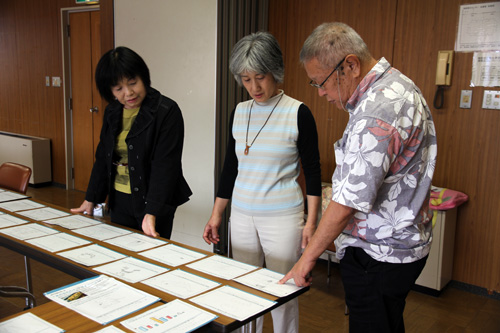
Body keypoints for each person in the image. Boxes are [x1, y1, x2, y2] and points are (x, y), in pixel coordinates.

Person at [280, 22, 437, 332]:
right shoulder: (398, 85)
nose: (322, 93)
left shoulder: (375, 114)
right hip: (403, 245)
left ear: (350, 65)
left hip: (378, 254)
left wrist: (307, 258)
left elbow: (347, 202)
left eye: (321, 82)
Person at [203, 31, 321, 333]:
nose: (254, 87)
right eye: (245, 79)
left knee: (283, 290)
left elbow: (313, 172)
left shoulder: (298, 113)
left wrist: (311, 223)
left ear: (275, 72)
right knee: (243, 290)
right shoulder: (239, 113)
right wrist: (217, 214)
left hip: (282, 218)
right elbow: (231, 168)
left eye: (260, 77)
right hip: (241, 216)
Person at [71, 46, 192, 239]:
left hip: (153, 199)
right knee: (122, 256)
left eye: (133, 83)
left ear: (143, 78)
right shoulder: (112, 111)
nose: (128, 93)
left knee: (152, 260)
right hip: (120, 199)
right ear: (110, 91)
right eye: (119, 88)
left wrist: (152, 212)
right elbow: (103, 156)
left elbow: (166, 166)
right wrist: (91, 198)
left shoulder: (166, 111)